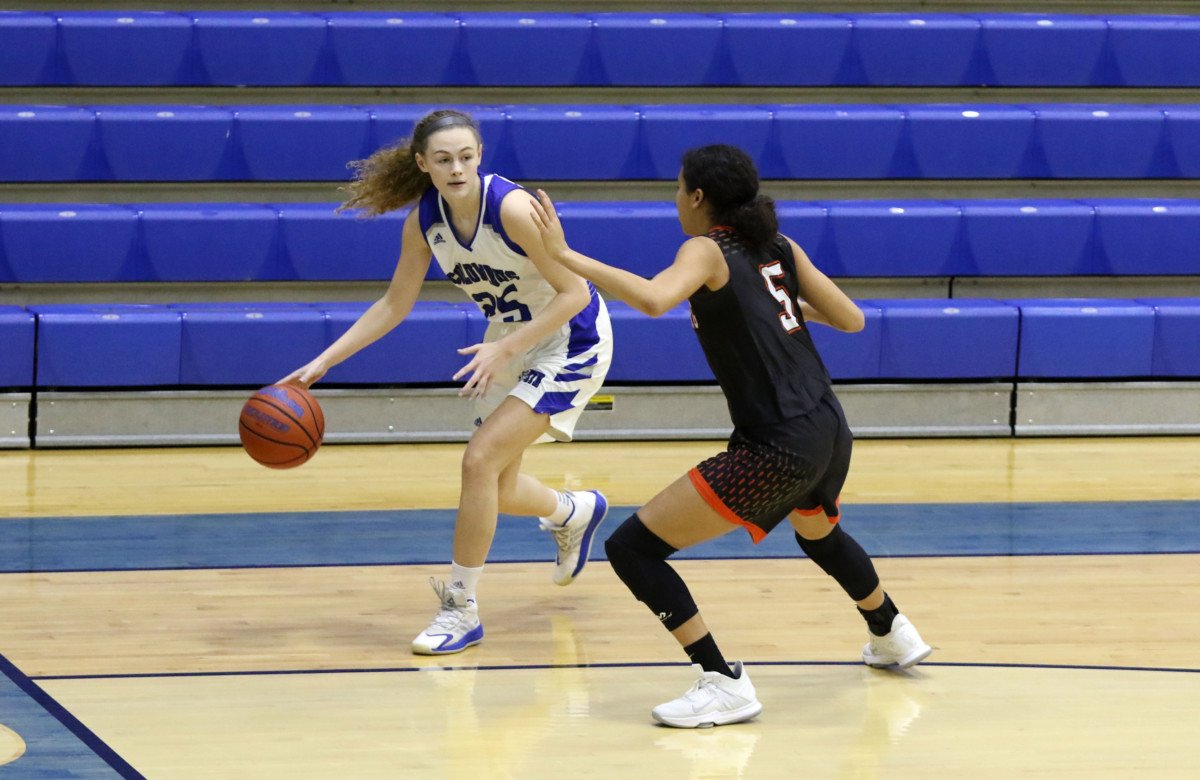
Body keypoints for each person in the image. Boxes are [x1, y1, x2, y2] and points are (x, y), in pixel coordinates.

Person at [529, 144, 931, 728]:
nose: (674, 199)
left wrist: (564, 253)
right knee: (818, 533)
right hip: (827, 424)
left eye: (677, 188)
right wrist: (776, 307)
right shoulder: (779, 246)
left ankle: (721, 680)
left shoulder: (705, 248)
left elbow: (652, 297)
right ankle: (891, 630)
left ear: (697, 197)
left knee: (631, 549)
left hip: (778, 443)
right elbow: (851, 318)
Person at [283, 109, 614, 656]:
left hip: (569, 338)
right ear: (423, 164)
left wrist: (506, 347)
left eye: (465, 156)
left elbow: (576, 293)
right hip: (508, 337)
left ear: (480, 155)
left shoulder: (512, 208)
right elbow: (394, 303)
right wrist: (325, 361)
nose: (456, 168)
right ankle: (571, 511)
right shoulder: (425, 221)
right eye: (443, 160)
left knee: (477, 461)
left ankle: (460, 610)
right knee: (499, 486)